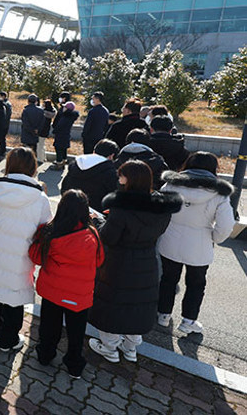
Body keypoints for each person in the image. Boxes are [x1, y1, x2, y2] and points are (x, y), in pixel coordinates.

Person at [89, 161, 182, 363]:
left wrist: (99, 220)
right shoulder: (162, 206)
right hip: (147, 260)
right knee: (138, 305)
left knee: (112, 304)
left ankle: (109, 348)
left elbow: (109, 237)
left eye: (121, 175)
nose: (118, 178)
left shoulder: (122, 207)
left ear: (129, 179)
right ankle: (130, 349)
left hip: (118, 263)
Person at [0, 147, 52, 351]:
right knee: (13, 297)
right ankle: (8, 340)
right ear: (33, 168)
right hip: (21, 257)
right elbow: (45, 230)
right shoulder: (40, 198)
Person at [157, 152, 235, 335]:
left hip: (170, 239)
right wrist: (213, 238)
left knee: (168, 280)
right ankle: (188, 321)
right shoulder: (219, 193)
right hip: (200, 244)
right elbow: (226, 225)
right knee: (196, 284)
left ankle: (163, 315)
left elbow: (159, 210)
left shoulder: (171, 184)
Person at [29, 190, 103, 378]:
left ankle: (45, 356)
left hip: (52, 291)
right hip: (79, 295)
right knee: (76, 333)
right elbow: (100, 260)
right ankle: (74, 366)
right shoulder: (92, 234)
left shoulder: (50, 231)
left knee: (48, 327)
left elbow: (35, 256)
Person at [62, 139, 119, 212]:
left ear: (94, 151)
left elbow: (65, 186)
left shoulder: (76, 164)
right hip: (96, 214)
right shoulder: (110, 172)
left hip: (70, 209)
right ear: (112, 156)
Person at [52, 101, 79, 170]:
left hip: (60, 135)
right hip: (66, 135)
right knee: (64, 149)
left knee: (58, 149)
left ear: (67, 109)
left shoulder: (65, 117)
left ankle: (59, 164)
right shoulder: (71, 117)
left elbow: (59, 126)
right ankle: (63, 162)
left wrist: (54, 131)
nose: (63, 108)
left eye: (65, 107)